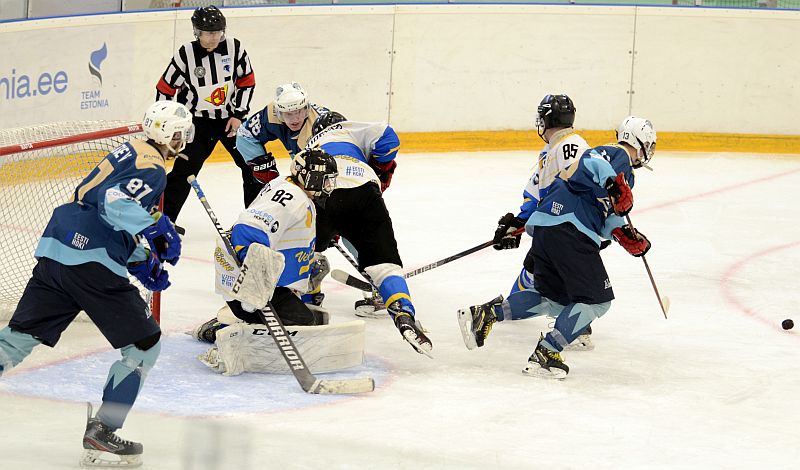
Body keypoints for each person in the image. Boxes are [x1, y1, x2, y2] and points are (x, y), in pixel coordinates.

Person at [0, 101, 192, 467]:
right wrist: (155, 226)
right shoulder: (153, 166)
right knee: (144, 345)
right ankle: (103, 431)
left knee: (18, 338)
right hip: (91, 262)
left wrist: (139, 258)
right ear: (171, 134)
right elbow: (112, 202)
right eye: (182, 134)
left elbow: (101, 208)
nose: (184, 141)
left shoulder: (130, 150)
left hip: (58, 247)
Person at [460, 115, 656, 378]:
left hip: (548, 227)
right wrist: (613, 184)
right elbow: (591, 160)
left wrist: (624, 234)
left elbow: (605, 216)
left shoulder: (621, 175)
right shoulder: (618, 155)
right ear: (641, 143)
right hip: (570, 228)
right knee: (597, 301)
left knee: (553, 299)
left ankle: (486, 314)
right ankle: (547, 353)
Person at [459, 94, 596, 351]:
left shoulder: (570, 145)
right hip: (562, 231)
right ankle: (572, 323)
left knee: (550, 278)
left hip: (562, 228)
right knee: (577, 286)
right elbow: (537, 195)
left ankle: (493, 312)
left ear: (547, 119)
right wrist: (518, 222)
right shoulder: (552, 150)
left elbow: (576, 186)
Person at [302, 111, 432, 357]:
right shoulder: (350, 130)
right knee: (385, 266)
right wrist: (380, 167)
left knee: (306, 252)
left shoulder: (312, 146)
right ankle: (403, 311)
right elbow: (388, 137)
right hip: (364, 189)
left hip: (323, 190)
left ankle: (304, 303)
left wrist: (327, 228)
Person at [191, 148, 338, 346]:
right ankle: (226, 333)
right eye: (324, 180)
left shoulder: (291, 187)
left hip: (267, 286)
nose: (328, 186)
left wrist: (308, 260)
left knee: (313, 320)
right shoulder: (292, 197)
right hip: (248, 289)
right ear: (308, 177)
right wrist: (253, 286)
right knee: (302, 326)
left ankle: (236, 322)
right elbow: (248, 229)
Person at [155, 5, 259, 224]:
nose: (214, 37)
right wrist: (171, 123)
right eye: (208, 33)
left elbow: (247, 81)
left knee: (252, 166)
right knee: (184, 171)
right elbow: (165, 88)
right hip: (196, 124)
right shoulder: (185, 54)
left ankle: (258, 218)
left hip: (230, 120)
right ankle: (163, 221)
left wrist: (239, 114)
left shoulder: (234, 48)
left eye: (218, 32)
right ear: (197, 32)